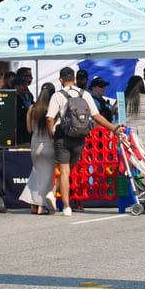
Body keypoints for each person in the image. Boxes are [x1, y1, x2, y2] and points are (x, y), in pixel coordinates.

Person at [47, 67, 123, 216]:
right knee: (69, 170)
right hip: (80, 138)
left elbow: (49, 117)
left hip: (63, 137)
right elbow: (96, 116)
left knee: (64, 171)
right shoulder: (85, 94)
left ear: (61, 80)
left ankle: (66, 206)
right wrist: (113, 128)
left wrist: (51, 134)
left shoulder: (57, 96)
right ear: (74, 79)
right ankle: (53, 192)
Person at [19, 82, 56, 214]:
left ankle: (33, 205)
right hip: (49, 143)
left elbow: (29, 129)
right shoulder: (52, 108)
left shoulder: (32, 108)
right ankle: (41, 205)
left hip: (35, 143)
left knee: (36, 173)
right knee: (47, 177)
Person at [124, 75, 145, 166]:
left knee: (131, 160)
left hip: (129, 132)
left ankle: (131, 180)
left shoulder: (125, 99)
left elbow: (115, 111)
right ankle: (142, 180)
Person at [13, 75, 32, 145]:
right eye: (23, 85)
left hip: (27, 131)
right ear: (16, 87)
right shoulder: (13, 99)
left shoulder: (29, 95)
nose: (25, 87)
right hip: (18, 132)